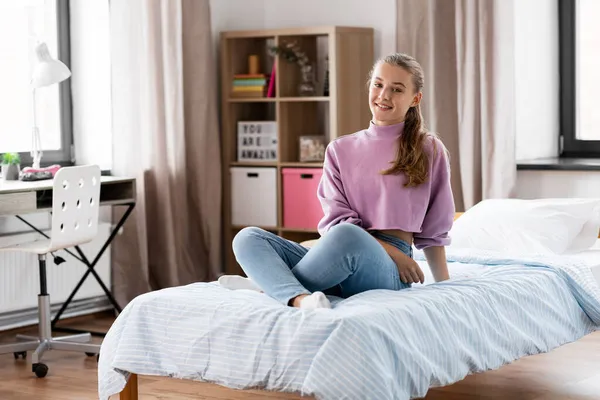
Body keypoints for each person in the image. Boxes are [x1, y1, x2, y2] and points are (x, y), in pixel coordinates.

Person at [219, 52, 455, 310]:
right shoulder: (340, 149)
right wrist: (393, 252)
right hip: (341, 256)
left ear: (415, 98)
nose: (384, 95)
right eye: (378, 84)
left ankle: (269, 286)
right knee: (247, 237)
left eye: (397, 89)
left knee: (347, 235)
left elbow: (434, 231)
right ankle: (299, 298)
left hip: (387, 271)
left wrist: (444, 289)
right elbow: (336, 223)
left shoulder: (428, 148)